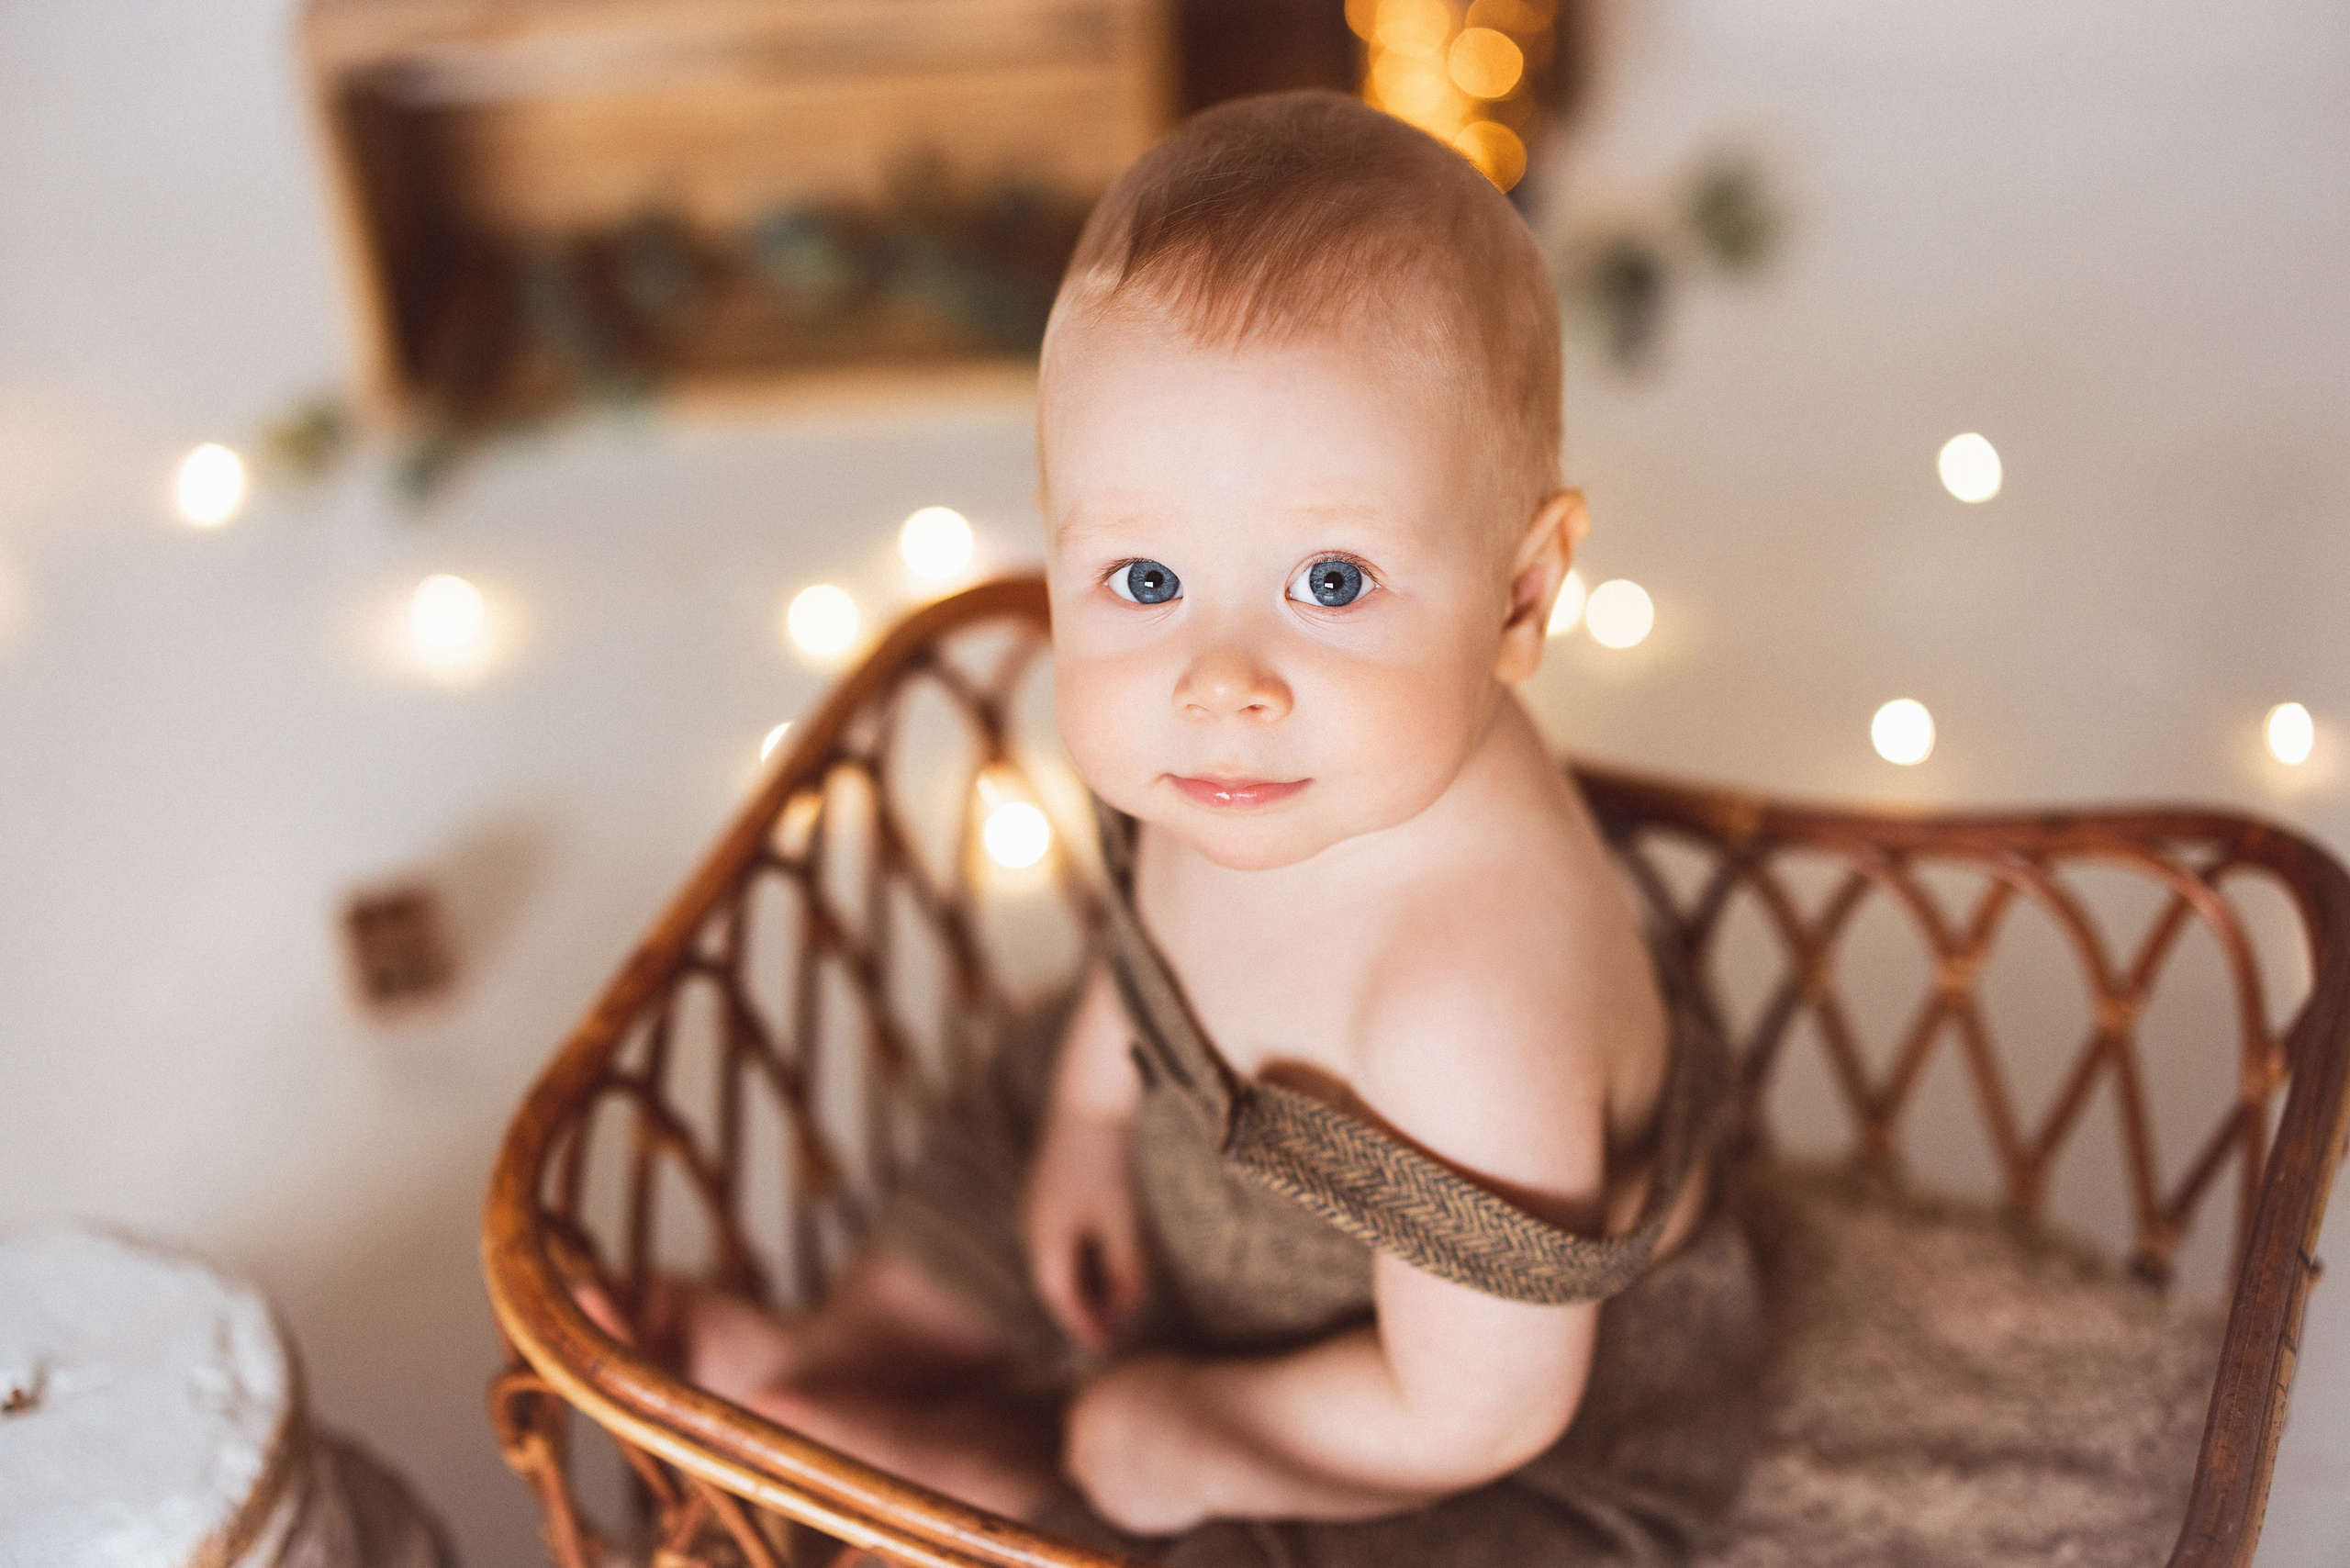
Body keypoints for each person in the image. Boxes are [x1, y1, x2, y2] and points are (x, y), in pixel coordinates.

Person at [595, 90, 1765, 1566]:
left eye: (1331, 584)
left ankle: (983, 1478)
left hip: (1443, 1400)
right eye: (1142, 582)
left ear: (1522, 598)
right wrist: (1091, 1122)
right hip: (1217, 1170)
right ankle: (853, 1355)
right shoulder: (1269, 764)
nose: (1218, 683)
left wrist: (1211, 1439)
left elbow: (1479, 1414)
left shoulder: (1473, 1010)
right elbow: (1151, 950)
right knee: (1019, 1099)